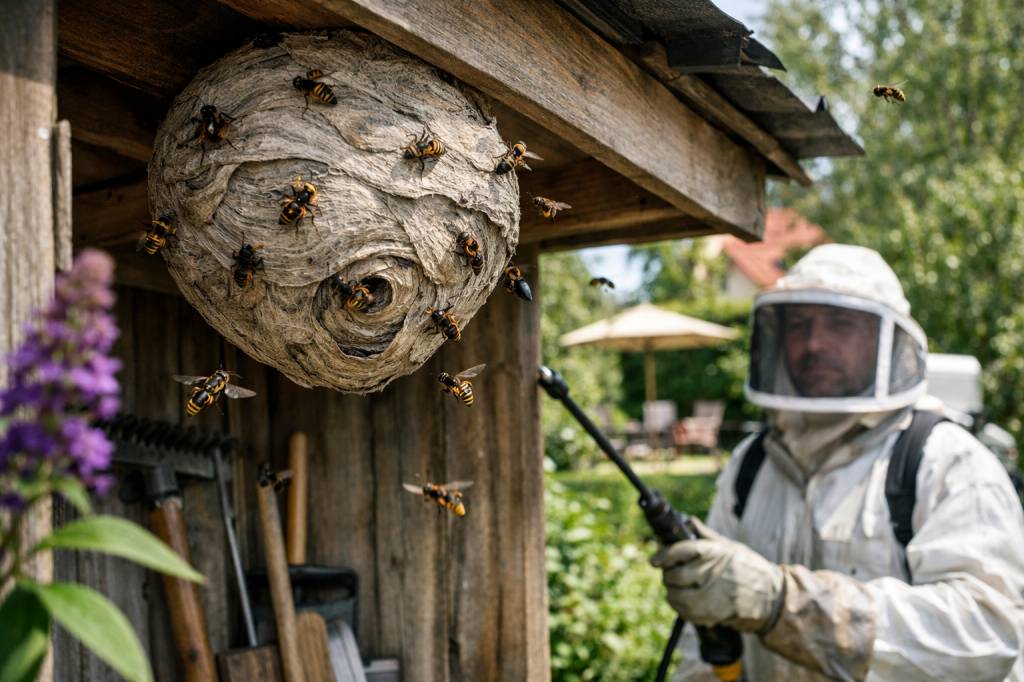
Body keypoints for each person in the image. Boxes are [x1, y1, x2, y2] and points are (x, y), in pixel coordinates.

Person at [654, 244, 1024, 681]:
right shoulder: (751, 465)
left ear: (886, 340)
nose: (814, 343)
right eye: (799, 325)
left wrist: (785, 603)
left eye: (841, 323)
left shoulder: (945, 460)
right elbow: (706, 633)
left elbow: (988, 634)